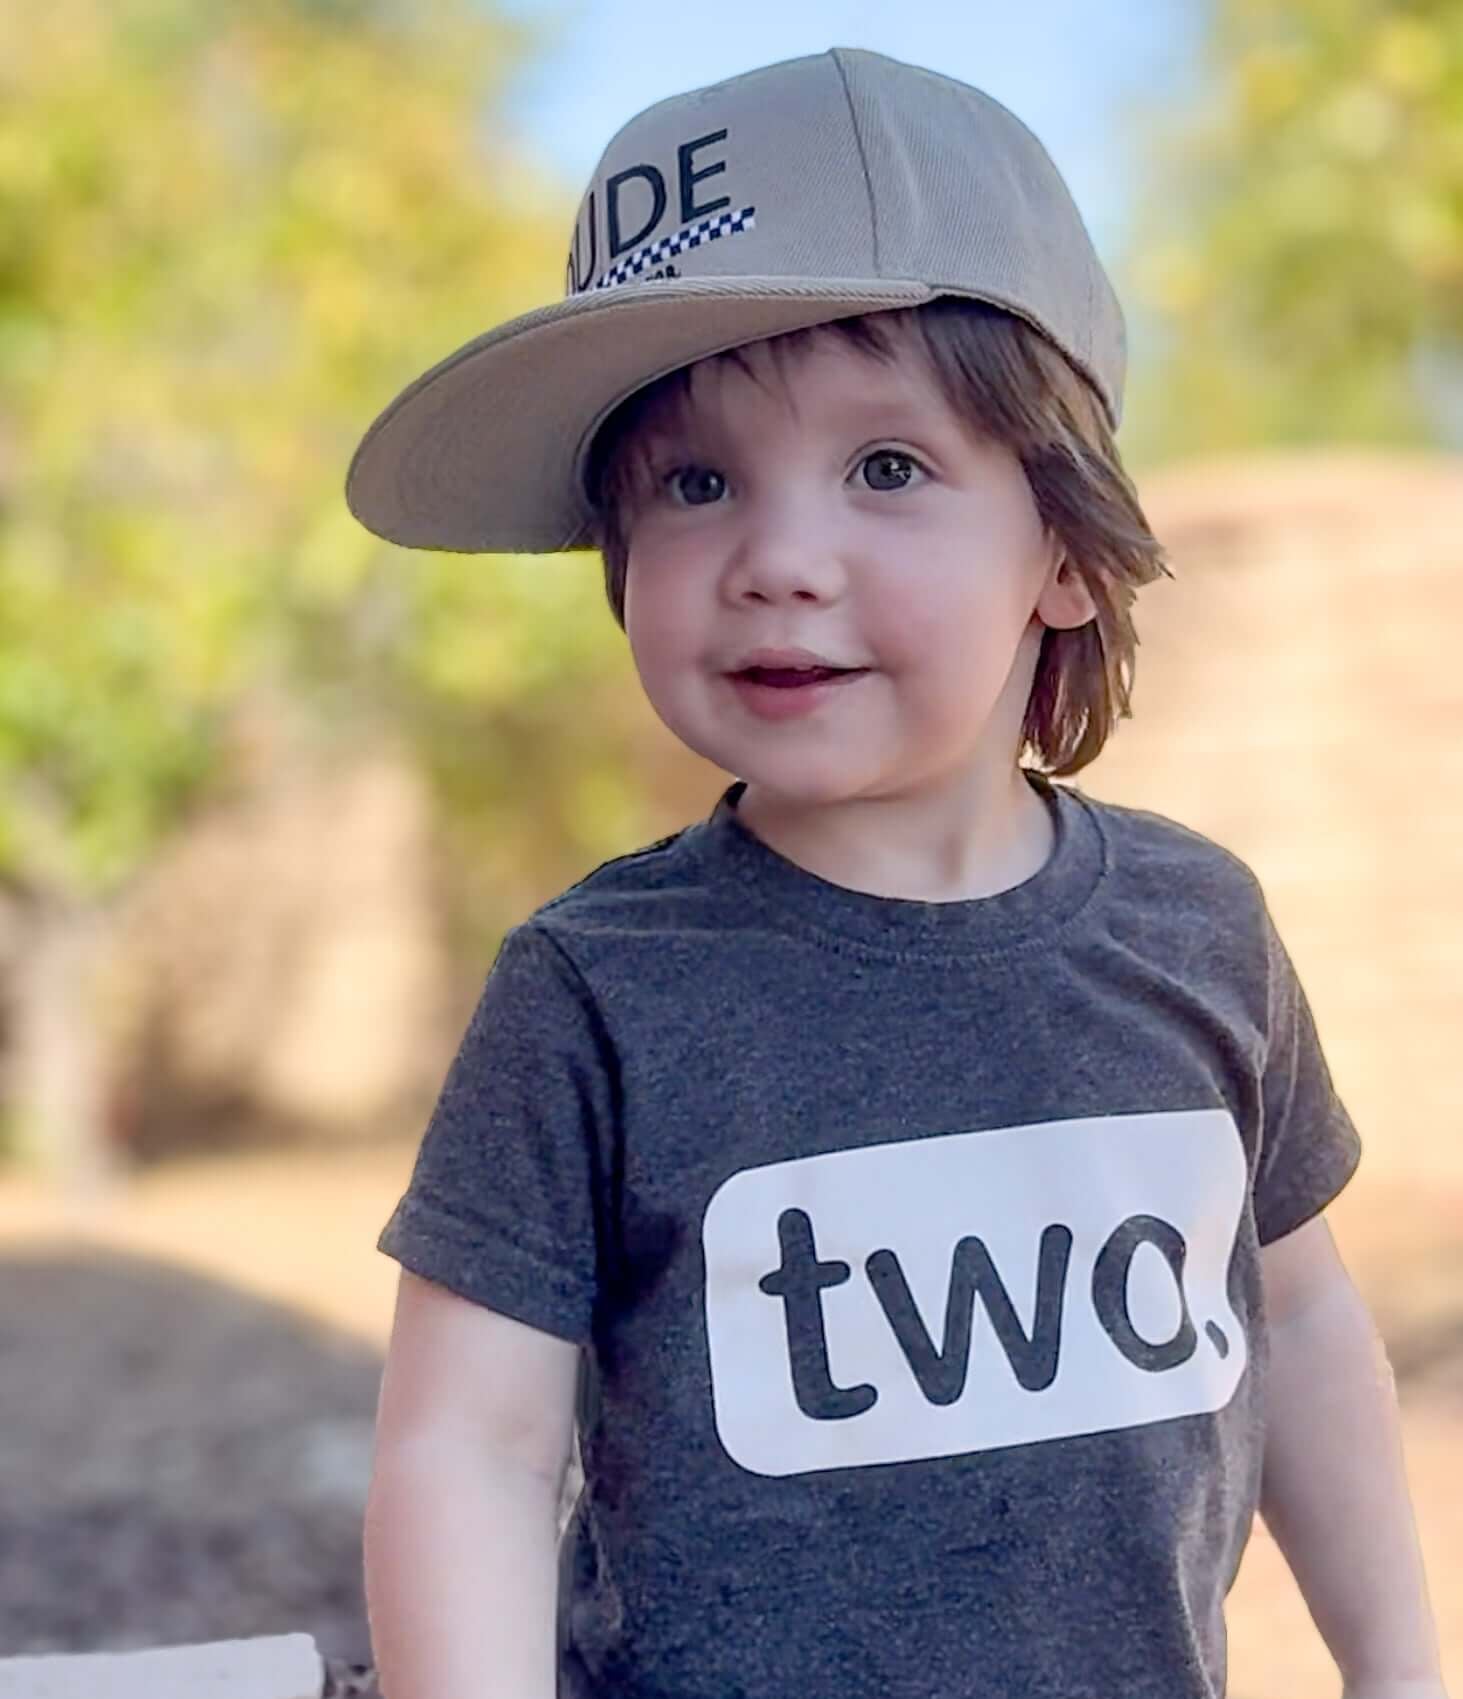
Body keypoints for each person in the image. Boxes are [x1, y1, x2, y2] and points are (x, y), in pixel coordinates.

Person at [345, 47, 1448, 1699]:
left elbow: (1294, 1331)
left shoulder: (1198, 930)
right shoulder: (594, 990)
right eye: (696, 484)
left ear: (1067, 553)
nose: (778, 561)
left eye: (887, 469)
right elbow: (473, 1451)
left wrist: (1403, 1672)